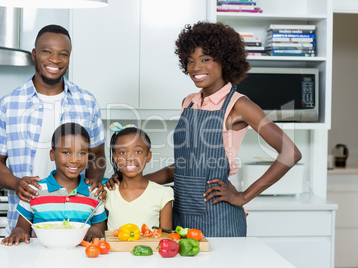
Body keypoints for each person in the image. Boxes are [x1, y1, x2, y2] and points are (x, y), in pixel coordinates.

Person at [106, 22, 302, 237]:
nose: (196, 67)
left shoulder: (239, 105)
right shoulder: (189, 102)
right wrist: (131, 180)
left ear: (224, 60)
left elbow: (290, 152)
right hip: (181, 214)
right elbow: (184, 167)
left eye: (205, 59)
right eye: (190, 61)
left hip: (219, 217)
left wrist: (244, 196)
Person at [0, 24, 106, 235]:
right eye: (47, 51)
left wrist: (93, 184)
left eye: (63, 54)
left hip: (76, 228)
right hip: (22, 228)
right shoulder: (9, 103)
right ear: (34, 54)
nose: (55, 60)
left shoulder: (86, 102)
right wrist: (16, 183)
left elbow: (97, 155)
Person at [1, 123, 107, 246]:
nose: (74, 159)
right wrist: (18, 231)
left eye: (82, 153)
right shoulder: (34, 190)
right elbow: (22, 227)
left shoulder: (94, 192)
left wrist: (95, 231)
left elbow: (100, 228)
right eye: (66, 152)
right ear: (52, 155)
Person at [104, 122, 174, 231]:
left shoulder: (163, 194)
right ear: (115, 157)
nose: (130, 158)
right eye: (122, 152)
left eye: (138, 151)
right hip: (116, 249)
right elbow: (103, 236)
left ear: (148, 156)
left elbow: (166, 239)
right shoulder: (107, 192)